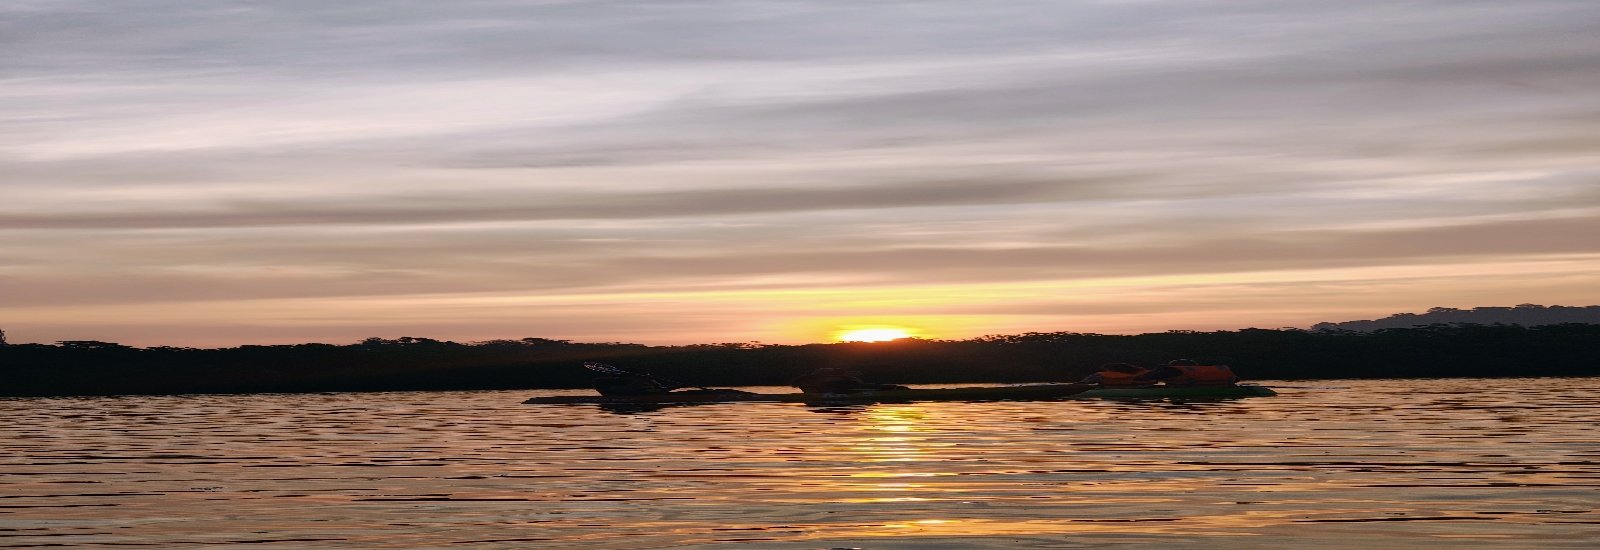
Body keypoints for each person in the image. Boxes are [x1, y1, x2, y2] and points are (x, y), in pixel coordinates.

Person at [791, 368, 909, 394]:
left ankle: (893, 389)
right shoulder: (812, 379)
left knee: (872, 387)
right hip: (841, 390)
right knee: (872, 387)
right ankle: (893, 389)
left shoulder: (821, 377)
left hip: (845, 389)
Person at [1141, 359, 1239, 386]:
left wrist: (1158, 370)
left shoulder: (1174, 371)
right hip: (1225, 386)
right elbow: (1237, 379)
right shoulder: (1198, 371)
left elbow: (1142, 378)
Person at [592, 373, 677, 396]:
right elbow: (628, 388)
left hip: (653, 395)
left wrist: (675, 387)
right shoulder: (606, 384)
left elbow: (664, 389)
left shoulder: (651, 382)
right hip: (618, 396)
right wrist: (640, 380)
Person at [1080, 363, 1153, 386]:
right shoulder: (1100, 375)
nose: (1106, 371)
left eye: (1107, 370)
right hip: (1100, 382)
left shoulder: (1138, 373)